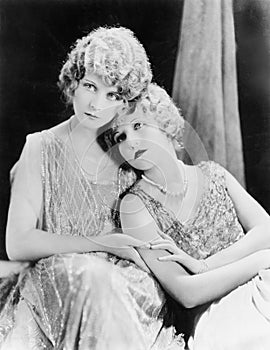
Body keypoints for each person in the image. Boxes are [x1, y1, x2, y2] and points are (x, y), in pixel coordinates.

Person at [2, 27, 184, 349]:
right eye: (90, 86)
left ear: (126, 103)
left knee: (106, 282)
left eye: (113, 95)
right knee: (90, 276)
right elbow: (17, 243)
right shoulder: (40, 147)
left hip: (129, 283)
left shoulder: (129, 150)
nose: (96, 103)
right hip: (63, 279)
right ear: (74, 82)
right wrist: (102, 243)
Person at [111, 83, 270, 349]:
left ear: (165, 124)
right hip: (221, 313)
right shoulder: (135, 206)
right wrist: (261, 259)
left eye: (137, 126)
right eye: (120, 137)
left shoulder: (213, 173)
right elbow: (187, 293)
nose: (130, 141)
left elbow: (266, 229)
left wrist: (208, 265)